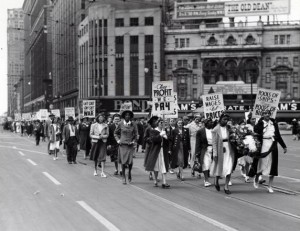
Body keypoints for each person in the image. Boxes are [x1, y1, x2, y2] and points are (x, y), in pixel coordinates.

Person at [253, 110, 287, 193]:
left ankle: (270, 186)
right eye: (265, 113)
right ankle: (257, 177)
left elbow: (278, 135)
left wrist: (284, 146)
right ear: (263, 115)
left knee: (273, 165)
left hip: (272, 145)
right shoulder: (260, 123)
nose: (267, 115)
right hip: (263, 145)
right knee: (261, 163)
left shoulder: (274, 123)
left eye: (268, 113)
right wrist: (259, 122)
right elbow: (255, 131)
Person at [210, 113, 235, 194]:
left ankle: (226, 186)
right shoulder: (215, 129)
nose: (226, 121)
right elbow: (214, 142)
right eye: (224, 119)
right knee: (220, 167)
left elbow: (234, 137)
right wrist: (215, 153)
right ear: (220, 119)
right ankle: (216, 180)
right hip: (220, 149)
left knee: (229, 167)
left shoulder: (229, 128)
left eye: (227, 120)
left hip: (229, 149)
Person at [144, 117, 170, 188]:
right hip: (156, 151)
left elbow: (169, 141)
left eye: (163, 123)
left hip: (163, 151)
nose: (162, 124)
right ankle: (155, 179)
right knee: (156, 166)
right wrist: (160, 135)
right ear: (157, 123)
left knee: (164, 166)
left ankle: (164, 182)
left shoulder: (165, 131)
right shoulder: (153, 131)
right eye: (161, 123)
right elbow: (153, 140)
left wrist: (167, 138)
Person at [114, 110, 138, 184]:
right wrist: (118, 140)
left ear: (130, 117)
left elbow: (136, 134)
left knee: (130, 162)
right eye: (126, 115)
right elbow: (115, 133)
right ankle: (123, 176)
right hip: (123, 145)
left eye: (129, 115)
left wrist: (134, 141)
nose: (127, 116)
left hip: (130, 145)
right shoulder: (120, 123)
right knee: (123, 162)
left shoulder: (133, 124)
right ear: (124, 116)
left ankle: (129, 173)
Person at [195, 118, 215, 187]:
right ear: (206, 123)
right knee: (205, 165)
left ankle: (216, 179)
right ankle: (206, 180)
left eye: (212, 122)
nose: (211, 123)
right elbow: (198, 143)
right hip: (205, 150)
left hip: (214, 149)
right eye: (209, 122)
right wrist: (197, 152)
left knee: (212, 165)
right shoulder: (200, 131)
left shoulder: (214, 130)